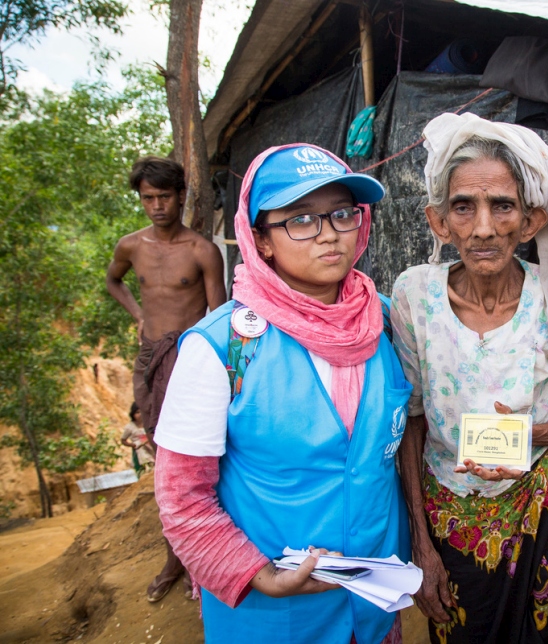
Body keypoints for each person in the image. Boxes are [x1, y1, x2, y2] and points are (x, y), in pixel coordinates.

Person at [152, 144, 413, 644]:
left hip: (375, 601)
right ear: (260, 241)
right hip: (276, 617)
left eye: (342, 213)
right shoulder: (223, 348)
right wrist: (262, 577)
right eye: (300, 219)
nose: (329, 233)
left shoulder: (383, 321)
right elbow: (182, 498)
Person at [392, 112, 548, 644]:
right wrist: (421, 544)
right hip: (451, 506)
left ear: (531, 221)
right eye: (464, 207)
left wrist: (528, 434)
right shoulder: (414, 297)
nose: (483, 227)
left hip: (541, 497)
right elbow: (411, 421)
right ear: (439, 222)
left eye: (502, 205)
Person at [106, 155, 226, 603]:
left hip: (190, 359)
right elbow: (113, 281)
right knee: (162, 454)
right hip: (150, 358)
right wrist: (138, 315)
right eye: (148, 198)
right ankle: (175, 555)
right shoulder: (130, 246)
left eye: (164, 196)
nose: (157, 206)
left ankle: (206, 557)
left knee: (196, 455)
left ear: (181, 196)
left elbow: (220, 318)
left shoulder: (201, 251)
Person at [120, 402, 155, 473]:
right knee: (144, 468)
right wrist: (133, 445)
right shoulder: (130, 427)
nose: (140, 414)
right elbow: (123, 440)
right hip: (140, 450)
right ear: (133, 414)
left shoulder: (148, 424)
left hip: (151, 449)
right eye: (137, 412)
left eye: (141, 412)